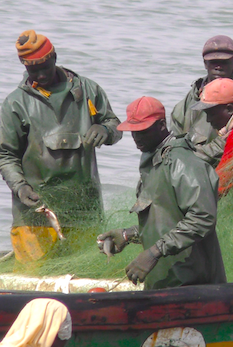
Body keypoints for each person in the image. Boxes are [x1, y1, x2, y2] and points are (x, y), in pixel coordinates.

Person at [0, 30, 122, 263]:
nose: (41, 74)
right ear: (24, 66)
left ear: (54, 56)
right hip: (35, 214)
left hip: (84, 211)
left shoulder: (88, 91)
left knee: (83, 270)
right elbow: (5, 154)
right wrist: (20, 187)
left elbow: (114, 125)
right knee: (34, 277)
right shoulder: (16, 103)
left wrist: (105, 130)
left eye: (45, 66)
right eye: (33, 69)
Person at [97, 97, 226, 290]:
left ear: (162, 125)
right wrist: (127, 235)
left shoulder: (182, 162)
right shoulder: (155, 161)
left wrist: (154, 252)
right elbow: (167, 220)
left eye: (143, 130)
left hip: (192, 285)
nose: (137, 138)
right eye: (133, 132)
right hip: (166, 283)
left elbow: (202, 217)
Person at [171, 35, 233, 167]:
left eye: (224, 62)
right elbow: (175, 135)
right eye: (213, 61)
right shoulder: (190, 99)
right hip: (192, 164)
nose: (218, 66)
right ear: (205, 63)